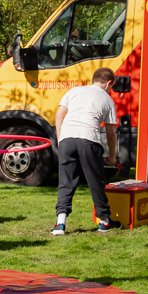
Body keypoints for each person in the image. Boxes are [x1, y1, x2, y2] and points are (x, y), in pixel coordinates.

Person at [50, 68, 119, 235]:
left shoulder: (74, 91)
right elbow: (110, 134)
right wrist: (112, 157)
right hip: (89, 139)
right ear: (108, 83)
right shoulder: (108, 100)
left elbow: (59, 116)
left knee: (66, 180)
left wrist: (60, 140)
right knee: (96, 181)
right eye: (111, 87)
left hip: (67, 139)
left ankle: (60, 224)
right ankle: (104, 222)